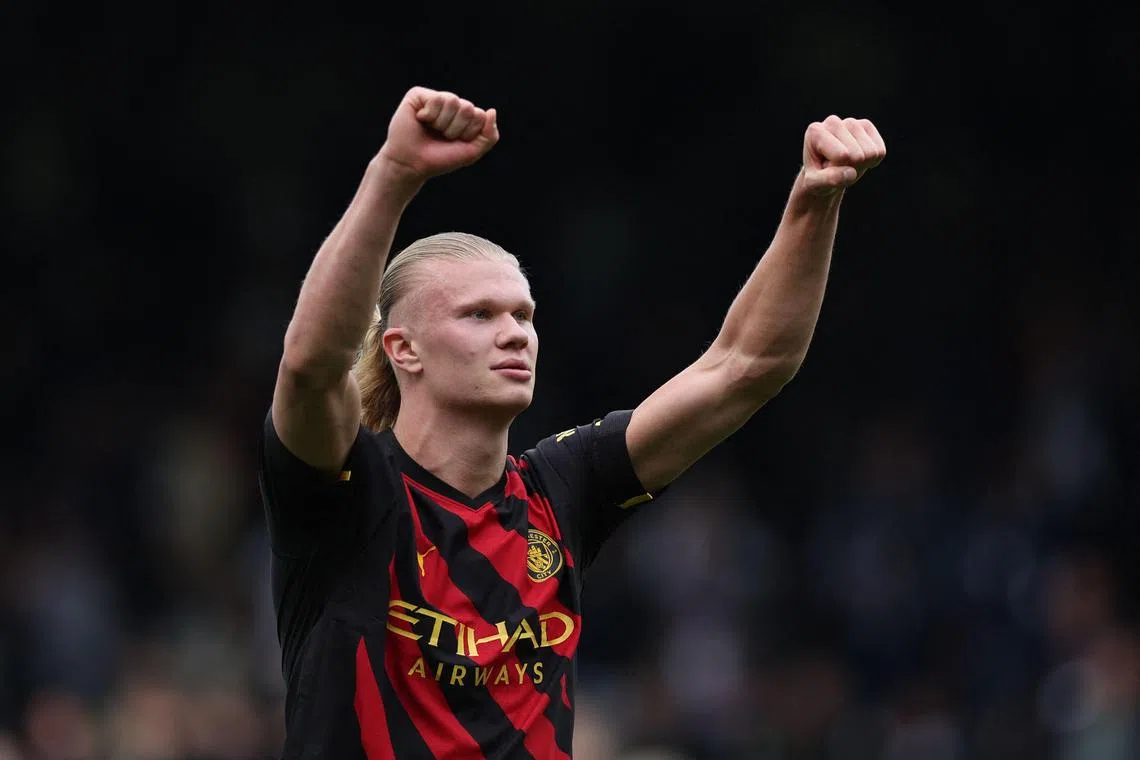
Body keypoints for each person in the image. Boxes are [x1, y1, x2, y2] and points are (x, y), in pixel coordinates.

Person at [258, 86, 885, 759]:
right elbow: (312, 365)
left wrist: (813, 200)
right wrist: (394, 174)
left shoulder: (561, 490)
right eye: (479, 315)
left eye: (524, 316)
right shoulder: (349, 493)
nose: (515, 335)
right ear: (402, 348)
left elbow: (747, 364)